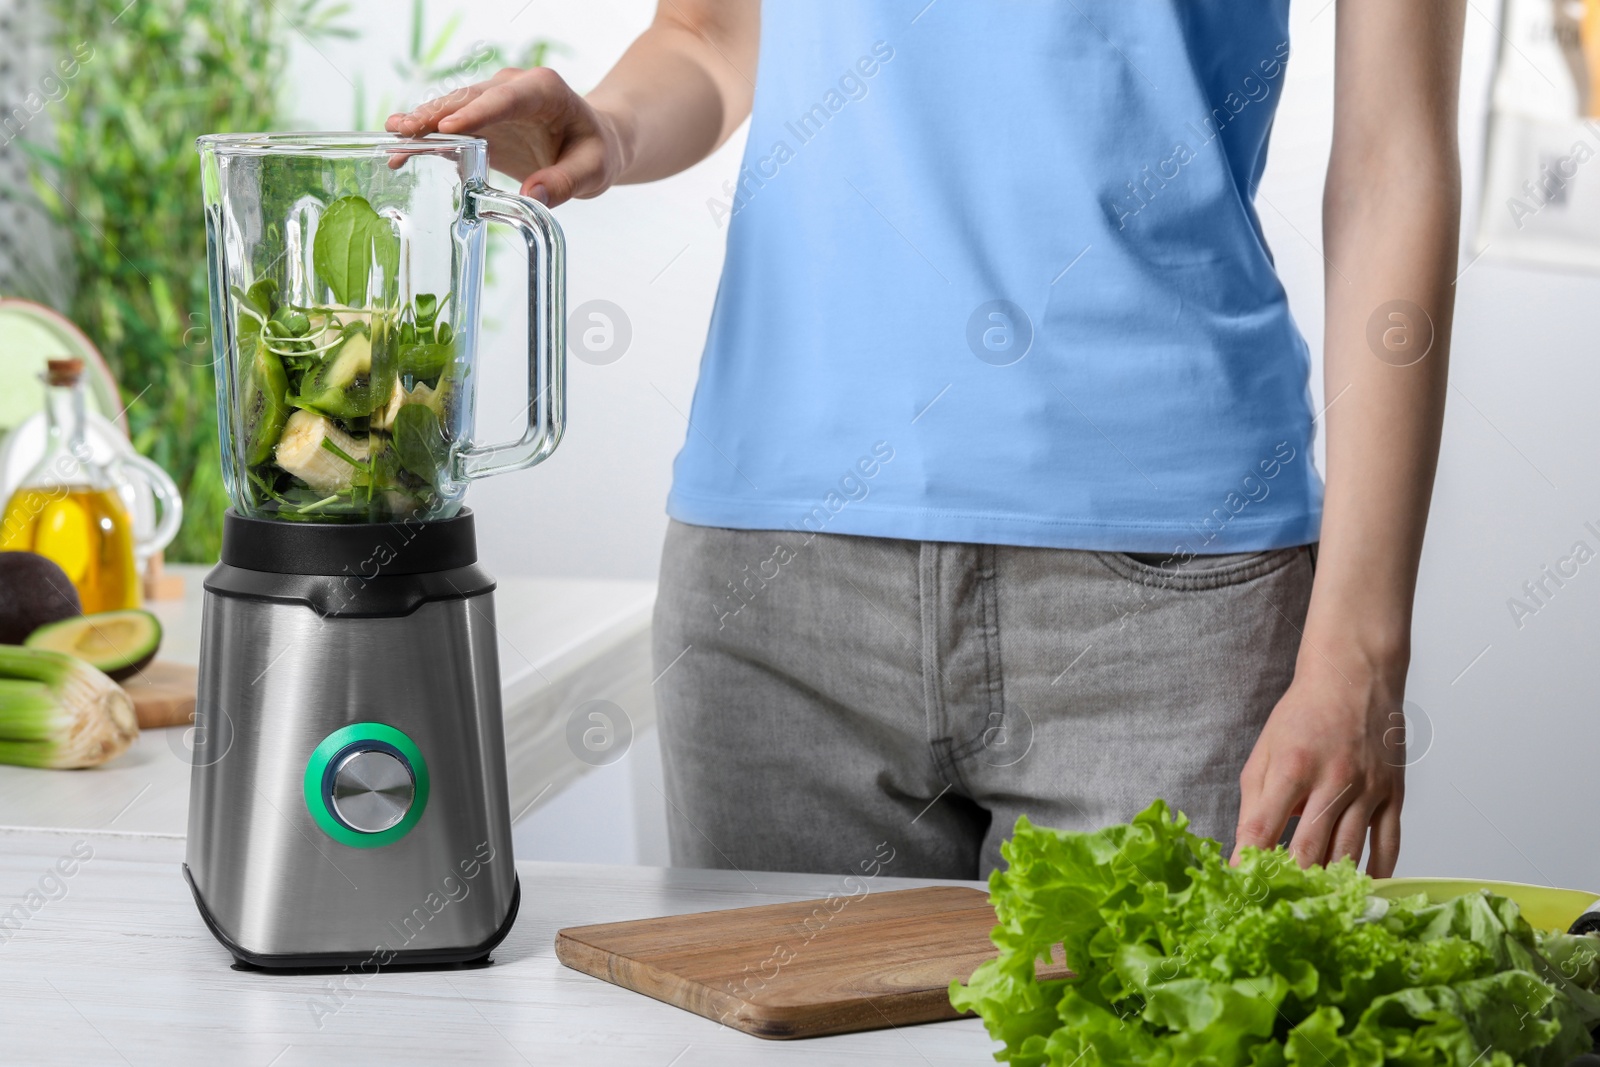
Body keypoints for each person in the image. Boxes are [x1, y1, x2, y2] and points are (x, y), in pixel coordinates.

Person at [390, 0, 1464, 880]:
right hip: (774, 593)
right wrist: (611, 127)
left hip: (1171, 615)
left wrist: (1359, 651)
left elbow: (1392, 159)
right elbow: (712, 36)